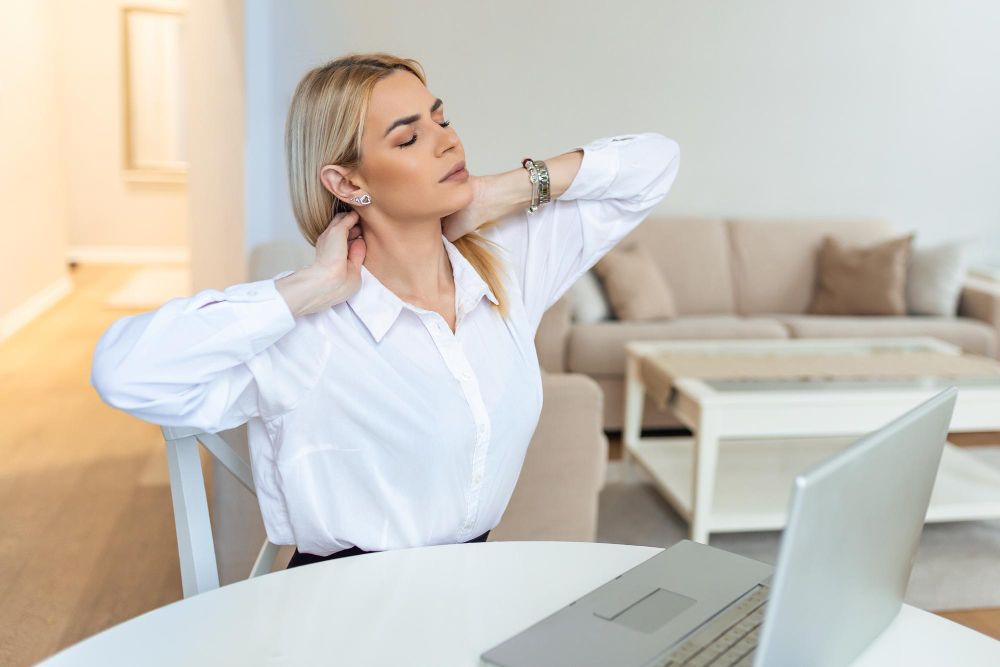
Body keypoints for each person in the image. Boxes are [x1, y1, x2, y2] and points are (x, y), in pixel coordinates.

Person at [89, 51, 680, 569]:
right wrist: (311, 286)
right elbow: (126, 372)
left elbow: (657, 163)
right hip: (348, 615)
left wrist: (506, 189)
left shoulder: (506, 269)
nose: (449, 141)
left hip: (473, 588)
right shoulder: (309, 331)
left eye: (441, 119)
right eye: (409, 137)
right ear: (346, 184)